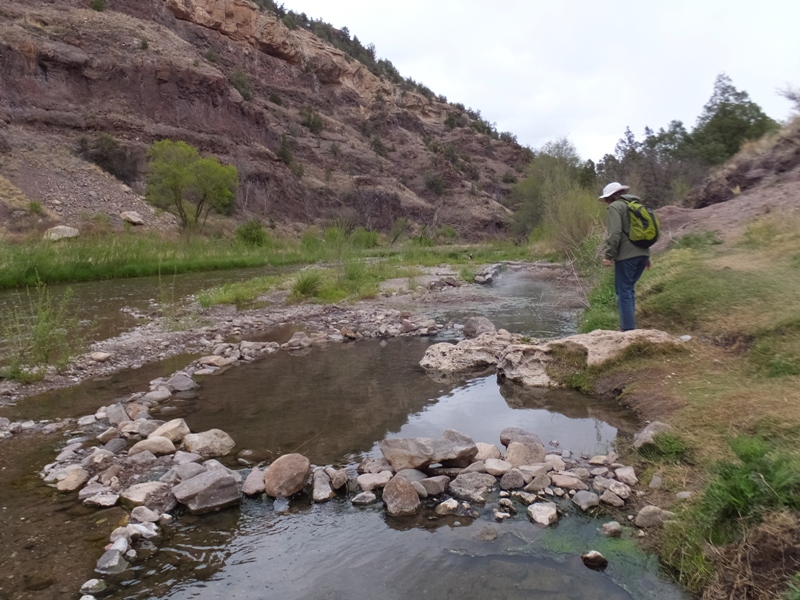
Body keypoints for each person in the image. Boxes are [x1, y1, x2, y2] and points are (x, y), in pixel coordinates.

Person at [598, 182, 651, 331]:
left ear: (609, 197)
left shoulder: (616, 207)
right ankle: (629, 326)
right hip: (642, 253)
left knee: (623, 291)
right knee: (628, 288)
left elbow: (615, 233)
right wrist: (646, 256)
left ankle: (627, 330)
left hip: (626, 256)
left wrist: (608, 255)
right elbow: (643, 232)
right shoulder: (636, 204)